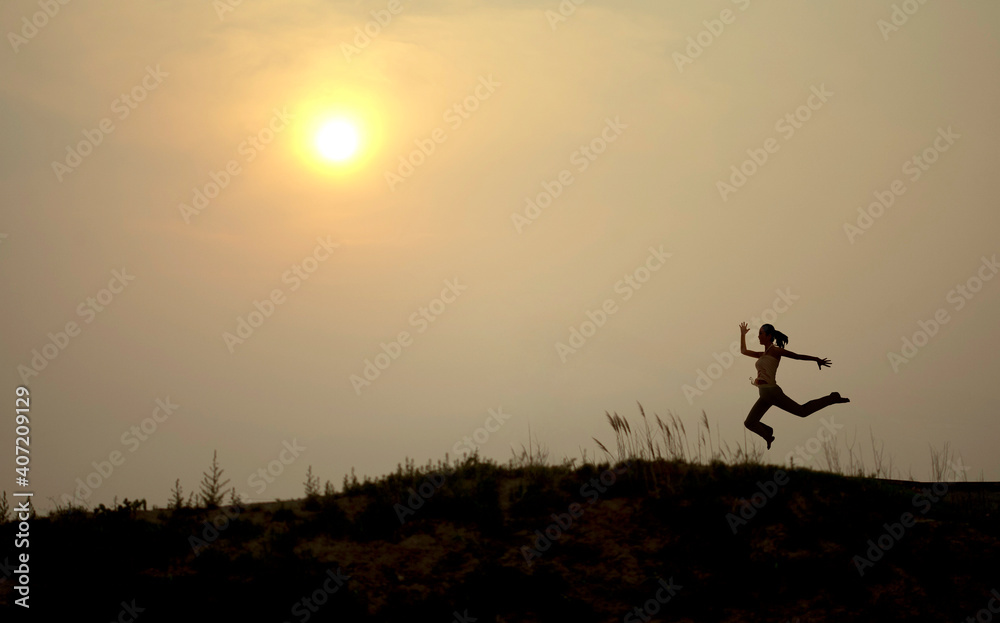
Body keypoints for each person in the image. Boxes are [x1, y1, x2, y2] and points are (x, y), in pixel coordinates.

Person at [739, 322, 849, 449]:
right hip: (764, 395)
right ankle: (768, 434)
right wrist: (742, 335)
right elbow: (743, 351)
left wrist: (816, 359)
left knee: (802, 411)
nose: (758, 336)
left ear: (769, 336)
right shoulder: (761, 354)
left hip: (773, 393)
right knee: (749, 423)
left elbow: (797, 356)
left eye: (760, 334)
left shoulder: (775, 351)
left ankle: (832, 398)